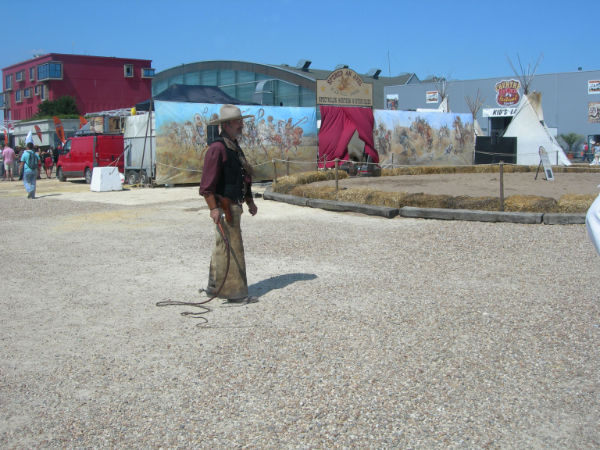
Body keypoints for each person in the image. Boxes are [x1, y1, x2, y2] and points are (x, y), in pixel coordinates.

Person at [199, 104, 258, 304]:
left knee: (221, 247)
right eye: (238, 121)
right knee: (233, 249)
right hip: (225, 207)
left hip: (235, 204)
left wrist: (249, 201)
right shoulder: (217, 148)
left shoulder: (233, 146)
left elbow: (243, 176)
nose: (242, 124)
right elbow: (207, 185)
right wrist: (213, 208)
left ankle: (214, 287)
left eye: (241, 121)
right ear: (227, 124)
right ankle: (235, 294)